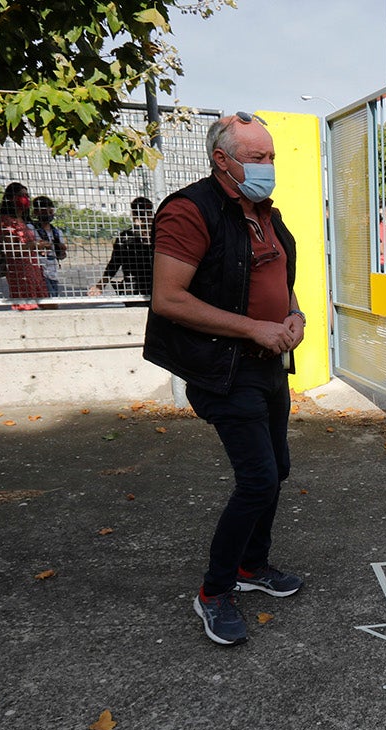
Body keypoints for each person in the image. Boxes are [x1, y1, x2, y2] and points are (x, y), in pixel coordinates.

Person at [143, 111, 306, 646]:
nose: (268, 167)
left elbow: (283, 280)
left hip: (269, 368)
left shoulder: (264, 212)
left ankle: (251, 567)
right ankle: (214, 591)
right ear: (222, 159)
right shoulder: (190, 211)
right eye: (257, 158)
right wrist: (254, 329)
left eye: (271, 158)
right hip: (224, 370)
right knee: (258, 478)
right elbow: (168, 299)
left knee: (276, 469)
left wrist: (295, 317)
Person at [0, 182, 50, 311]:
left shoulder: (24, 220)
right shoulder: (6, 221)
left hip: (34, 269)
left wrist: (40, 246)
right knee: (28, 306)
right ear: (11, 198)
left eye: (27, 195)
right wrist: (34, 245)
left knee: (45, 304)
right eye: (21, 195)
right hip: (19, 271)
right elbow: (11, 248)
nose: (25, 198)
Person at [90, 196, 155, 302]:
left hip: (156, 286)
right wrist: (101, 285)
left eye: (148, 214)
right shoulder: (126, 237)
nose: (146, 218)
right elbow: (114, 264)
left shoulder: (159, 234)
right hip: (133, 289)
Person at [27, 196, 67, 301]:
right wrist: (38, 245)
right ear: (36, 212)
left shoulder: (57, 232)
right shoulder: (30, 229)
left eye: (50, 211)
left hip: (52, 274)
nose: (48, 215)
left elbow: (61, 256)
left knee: (53, 300)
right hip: (38, 273)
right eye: (44, 211)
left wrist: (61, 249)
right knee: (48, 302)